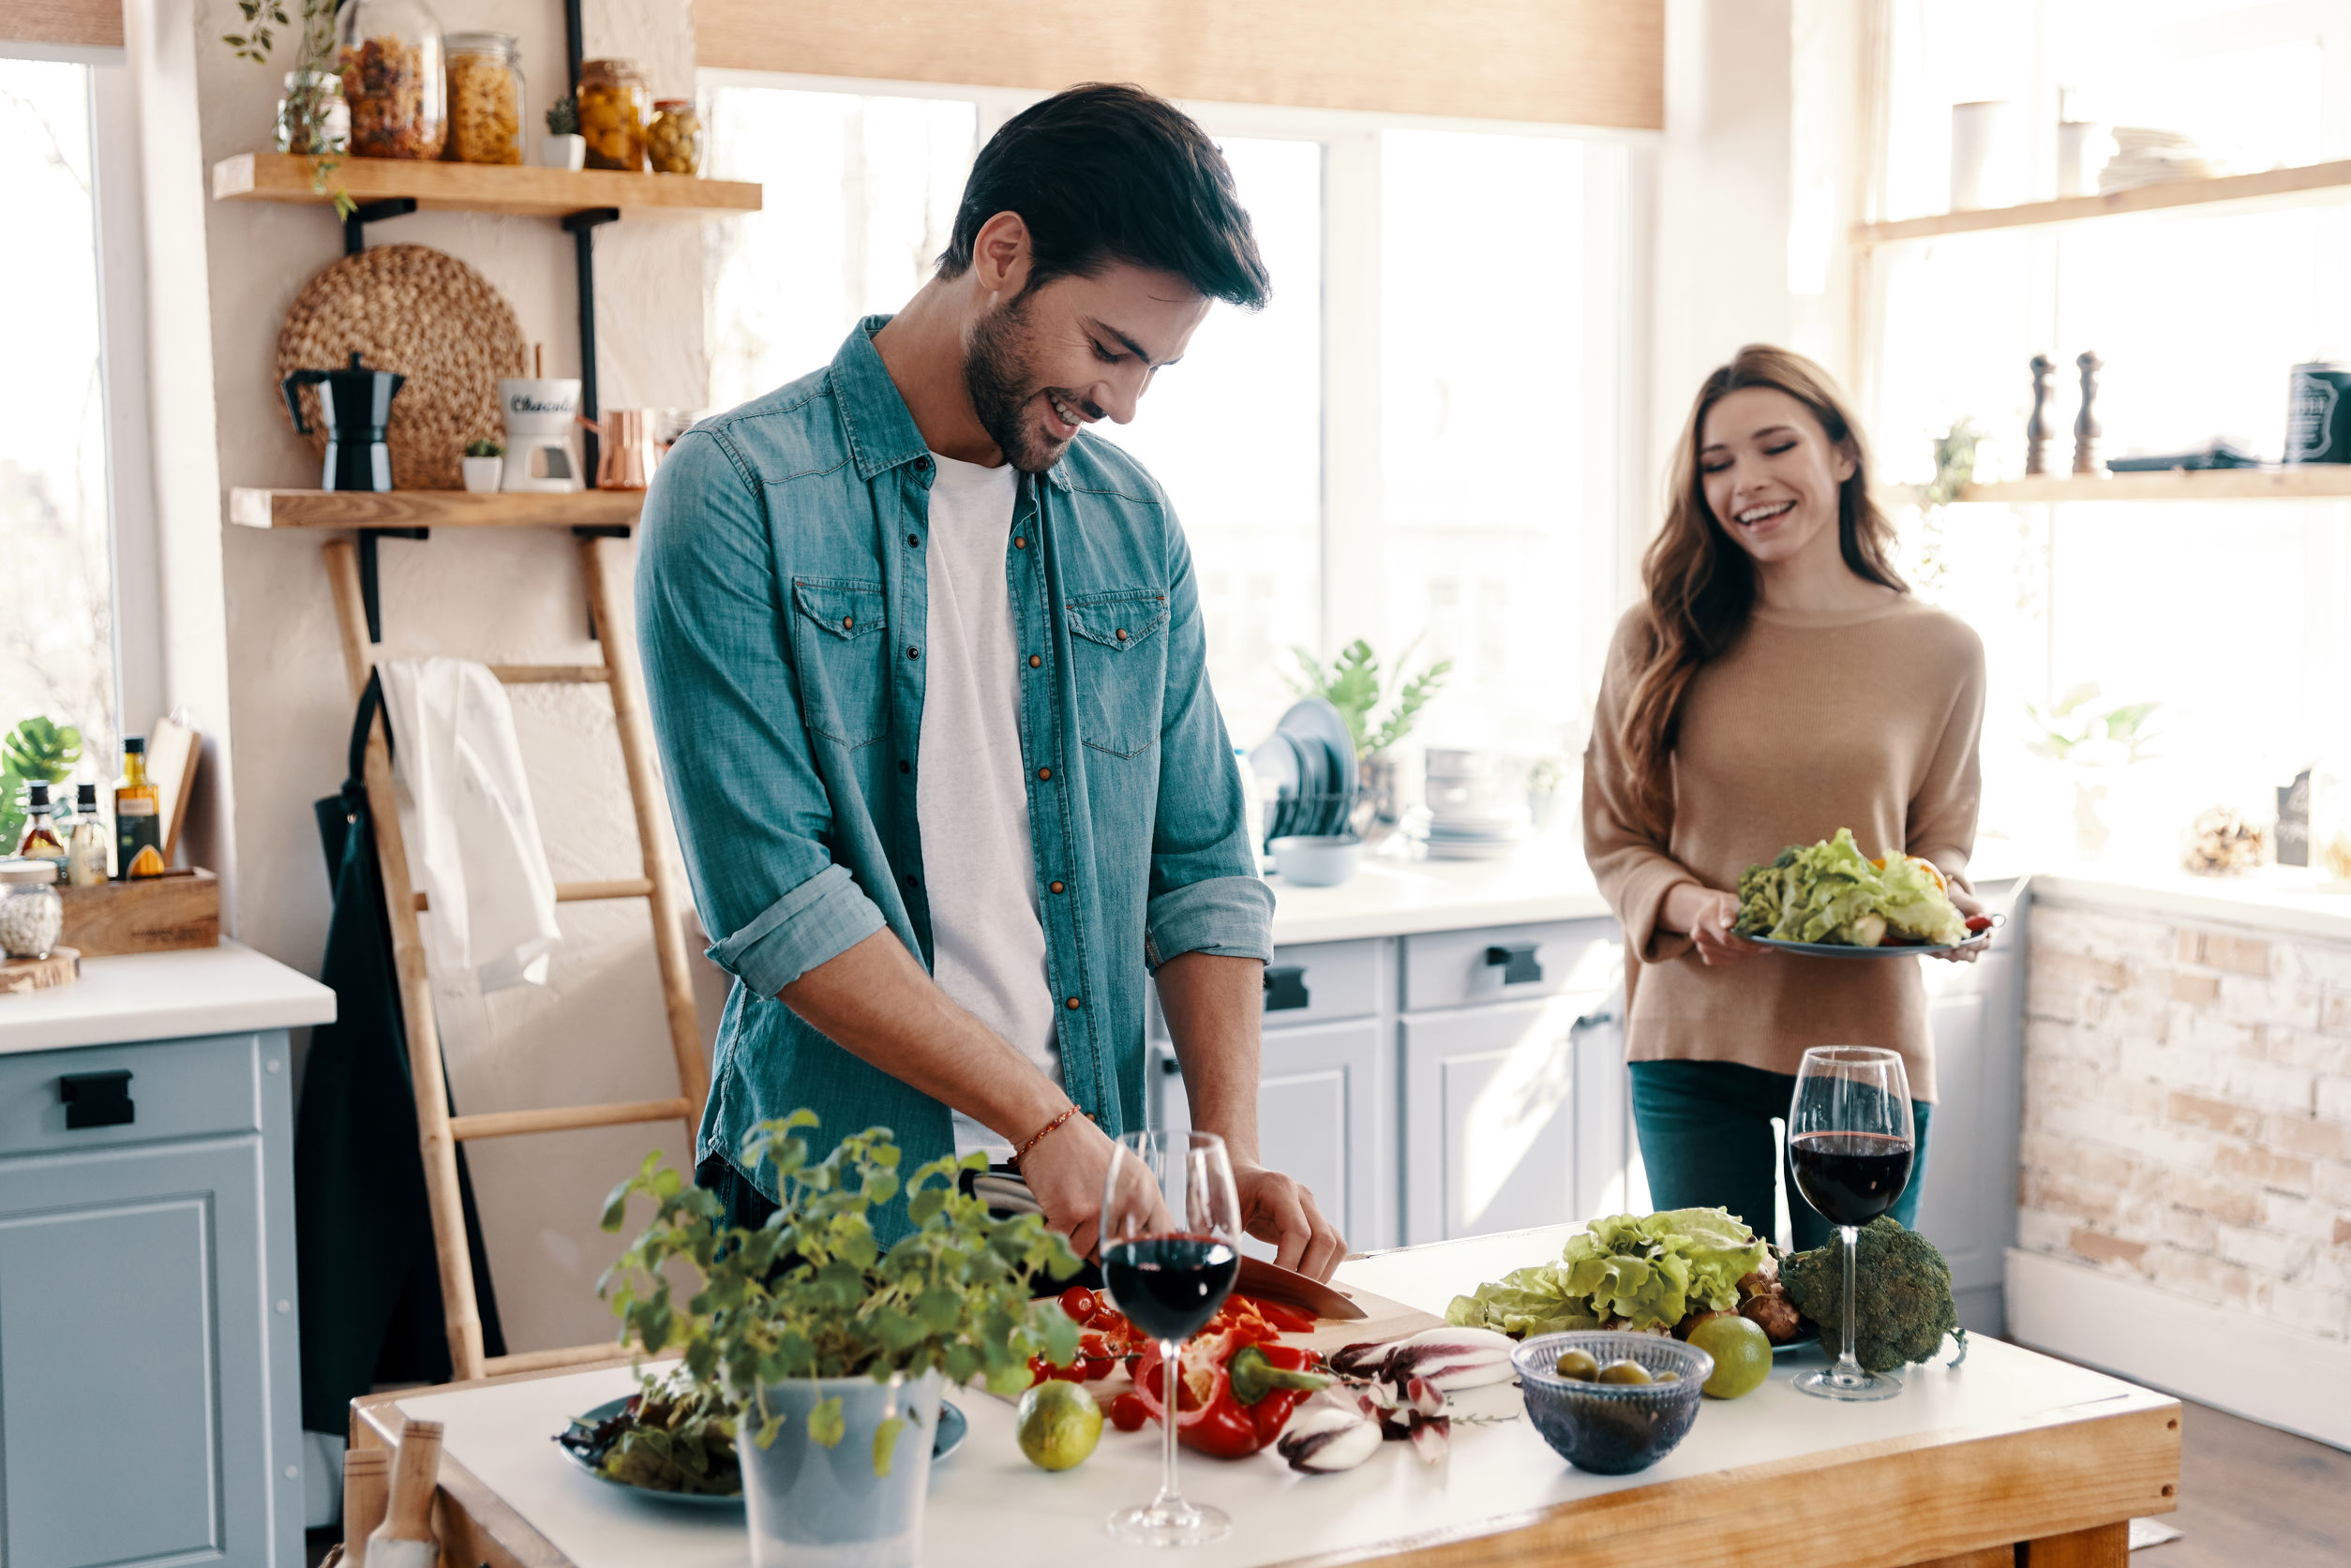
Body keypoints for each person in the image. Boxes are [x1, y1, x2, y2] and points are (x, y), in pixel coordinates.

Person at [635, 83, 1344, 1278]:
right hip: (838, 1212)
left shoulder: (1130, 523)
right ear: (1002, 254)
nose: (1122, 404)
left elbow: (1204, 864)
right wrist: (1042, 1118)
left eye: (1155, 369)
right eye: (1111, 349)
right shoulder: (735, 491)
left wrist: (1226, 1152)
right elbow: (775, 898)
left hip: (1086, 1206)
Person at [1581, 344, 1986, 1250]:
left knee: (1850, 1329)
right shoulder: (1657, 635)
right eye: (1717, 464)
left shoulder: (1943, 650)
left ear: (1842, 452)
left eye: (1775, 447)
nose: (1746, 483)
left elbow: (1940, 840)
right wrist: (1695, 904)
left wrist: (1942, 901)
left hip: (1864, 1054)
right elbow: (1615, 837)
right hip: (1692, 1038)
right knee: (1719, 1334)